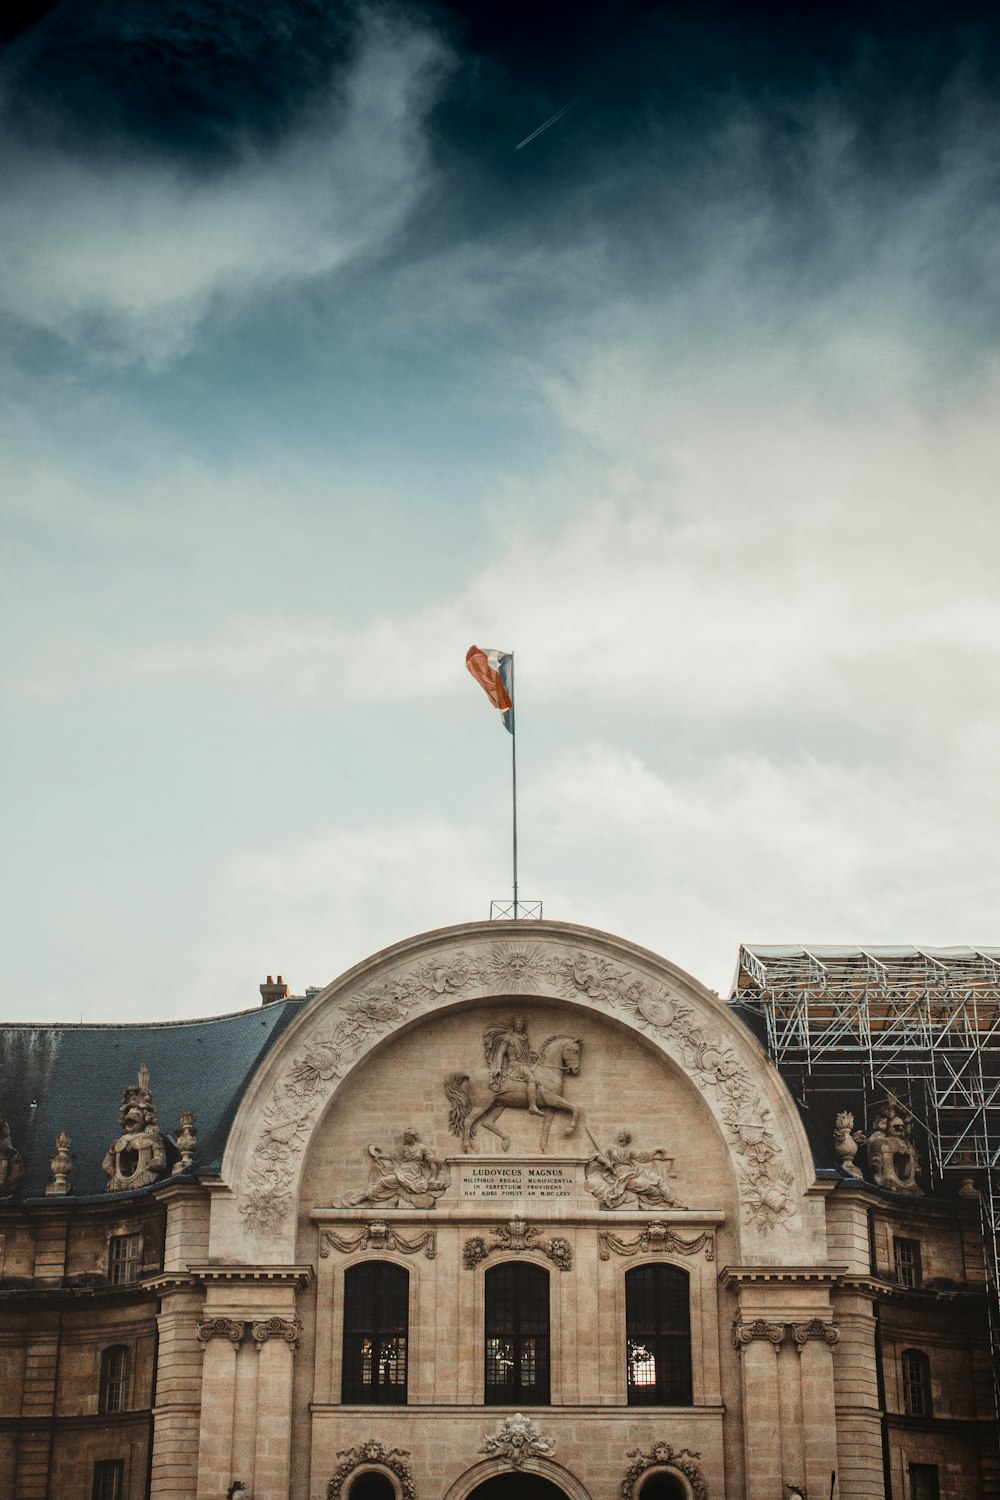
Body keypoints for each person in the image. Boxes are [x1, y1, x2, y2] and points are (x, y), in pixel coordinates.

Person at [587, 1129, 677, 1210]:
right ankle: (659, 1202)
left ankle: (673, 1201)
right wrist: (606, 1162)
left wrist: (655, 1151)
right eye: (619, 1134)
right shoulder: (611, 1148)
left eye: (622, 1134)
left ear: (626, 1137)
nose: (619, 1135)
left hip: (633, 1172)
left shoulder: (629, 1150)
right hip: (621, 1176)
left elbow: (643, 1157)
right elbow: (597, 1155)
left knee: (657, 1179)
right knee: (646, 1185)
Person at [484, 1015, 543, 1116]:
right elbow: (500, 1053)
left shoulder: (525, 1037)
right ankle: (532, 1106)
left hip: (526, 1064)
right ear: (514, 1025)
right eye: (517, 1024)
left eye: (521, 1024)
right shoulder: (508, 1038)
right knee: (532, 1079)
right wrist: (498, 1067)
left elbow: (527, 1053)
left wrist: (533, 1055)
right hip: (515, 1065)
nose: (519, 1025)